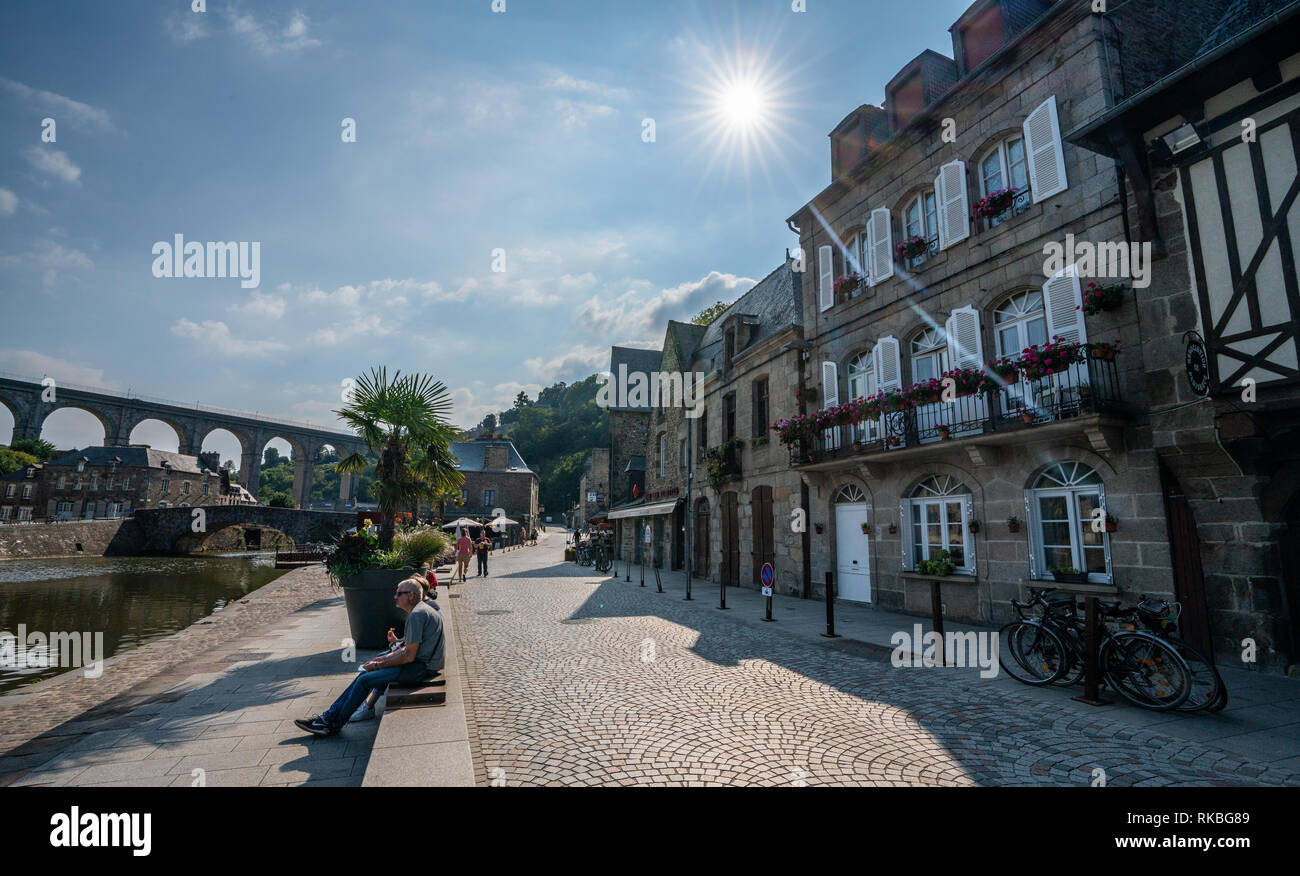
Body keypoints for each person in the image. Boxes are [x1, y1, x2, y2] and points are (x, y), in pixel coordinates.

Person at [295, 576, 444, 736]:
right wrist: (380, 661)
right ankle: (328, 717)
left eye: (399, 593)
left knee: (365, 680)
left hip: (421, 669)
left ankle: (332, 724)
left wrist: (379, 664)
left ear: (411, 596)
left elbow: (409, 655)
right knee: (369, 670)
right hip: (421, 664)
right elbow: (407, 649)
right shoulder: (420, 610)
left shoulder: (417, 615)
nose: (395, 596)